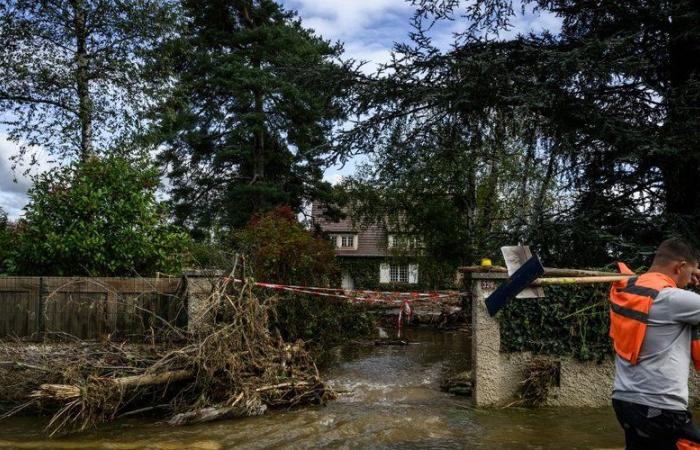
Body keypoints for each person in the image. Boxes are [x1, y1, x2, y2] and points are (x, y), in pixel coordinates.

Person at [611, 237, 700, 449]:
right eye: (692, 273)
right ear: (680, 267)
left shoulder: (627, 292)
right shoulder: (672, 299)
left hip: (625, 401)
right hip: (659, 408)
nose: (691, 280)